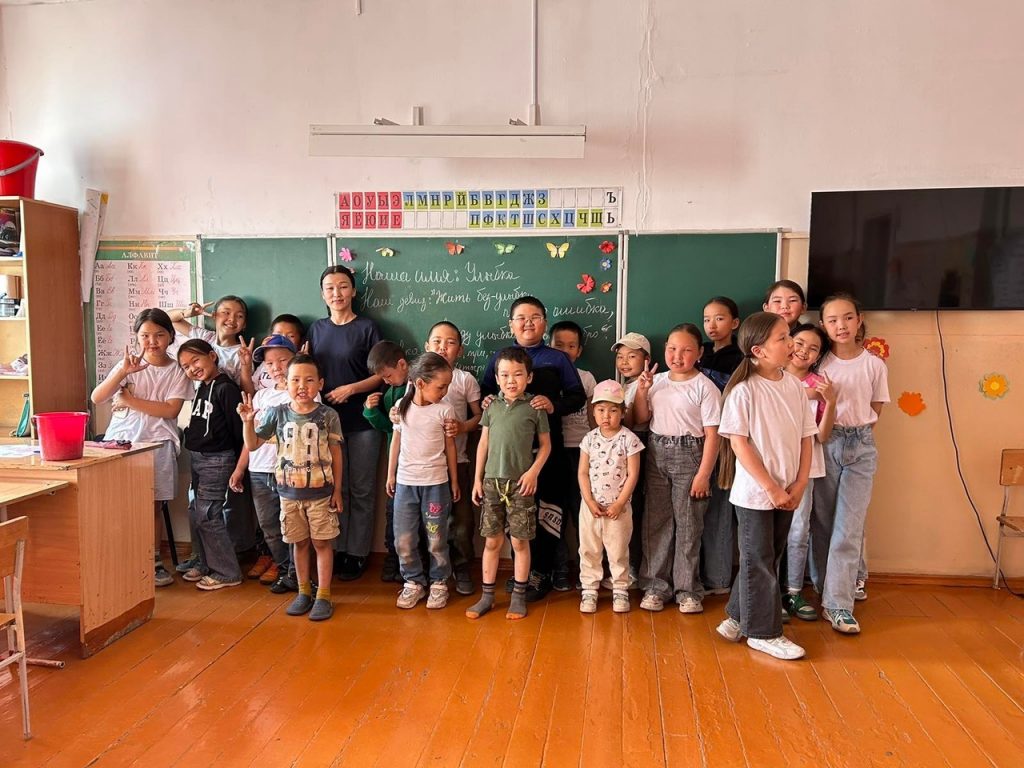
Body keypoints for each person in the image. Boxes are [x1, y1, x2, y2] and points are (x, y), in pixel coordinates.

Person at [716, 312, 817, 661]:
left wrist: (800, 482)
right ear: (759, 351)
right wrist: (772, 488)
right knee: (759, 559)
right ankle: (763, 633)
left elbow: (806, 437)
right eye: (783, 338)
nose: (792, 344)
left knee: (766, 557)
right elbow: (739, 444)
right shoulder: (744, 391)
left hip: (788, 490)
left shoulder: (794, 387)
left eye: (790, 336)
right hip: (756, 494)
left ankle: (736, 616)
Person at [478, 297, 584, 602]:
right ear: (511, 324)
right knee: (516, 516)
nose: (528, 323)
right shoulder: (500, 358)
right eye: (521, 318)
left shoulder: (557, 358)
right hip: (509, 456)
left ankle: (544, 571)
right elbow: (486, 392)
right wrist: (487, 400)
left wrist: (554, 404)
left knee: (547, 511)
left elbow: (577, 396)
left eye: (535, 317)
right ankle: (522, 572)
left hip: (547, 451)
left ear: (544, 323)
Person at [91, 308, 192, 587]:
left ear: (170, 336)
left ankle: (153, 561)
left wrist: (129, 400)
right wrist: (122, 373)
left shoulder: (177, 370)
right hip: (120, 442)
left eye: (159, 335)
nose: (152, 341)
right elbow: (98, 397)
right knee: (118, 504)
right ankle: (121, 558)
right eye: (145, 335)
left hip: (158, 443)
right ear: (136, 337)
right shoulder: (128, 365)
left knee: (152, 505)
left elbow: (170, 410)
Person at [239, 354, 344, 622]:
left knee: (322, 543)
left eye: (309, 380)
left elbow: (336, 453)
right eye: (295, 380)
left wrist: (337, 490)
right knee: (299, 543)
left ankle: (324, 595)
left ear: (320, 384)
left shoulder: (328, 415)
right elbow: (252, 445)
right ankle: (303, 591)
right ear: (285, 383)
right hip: (288, 495)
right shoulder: (277, 413)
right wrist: (248, 422)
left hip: (321, 494)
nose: (302, 386)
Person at [811, 293, 889, 634]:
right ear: (823, 325)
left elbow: (876, 409)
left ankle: (838, 605)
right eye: (832, 320)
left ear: (859, 320)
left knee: (849, 526)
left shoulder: (874, 364)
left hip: (861, 446)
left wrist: (858, 438)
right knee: (823, 521)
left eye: (847, 318)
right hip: (826, 443)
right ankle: (825, 586)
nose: (840, 325)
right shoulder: (819, 365)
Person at [633, 323, 721, 614]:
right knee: (656, 521)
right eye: (672, 349)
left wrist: (703, 475)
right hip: (656, 452)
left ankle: (688, 589)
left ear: (699, 353)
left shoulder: (705, 387)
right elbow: (641, 419)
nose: (677, 356)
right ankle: (655, 586)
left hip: (691, 454)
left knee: (689, 524)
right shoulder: (656, 381)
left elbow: (713, 436)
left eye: (686, 350)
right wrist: (642, 391)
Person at [307, 265, 383, 581]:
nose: (336, 293)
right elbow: (308, 371)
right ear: (322, 294)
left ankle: (358, 552)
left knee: (362, 488)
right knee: (336, 488)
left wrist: (351, 389)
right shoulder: (316, 329)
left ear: (353, 291)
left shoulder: (367, 328)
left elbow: (382, 374)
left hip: (363, 421)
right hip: (326, 422)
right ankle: (337, 549)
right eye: (330, 287)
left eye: (342, 286)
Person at [467, 347, 551, 620]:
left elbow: (546, 446)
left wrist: (533, 472)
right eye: (504, 375)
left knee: (519, 542)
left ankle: (518, 597)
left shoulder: (535, 407)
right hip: (491, 483)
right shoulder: (491, 407)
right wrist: (477, 480)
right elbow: (483, 443)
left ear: (529, 377)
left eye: (517, 374)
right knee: (492, 541)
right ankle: (487, 597)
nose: (511, 380)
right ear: (496, 378)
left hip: (521, 485)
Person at [386, 352, 459, 610]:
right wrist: (390, 474)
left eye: (447, 386)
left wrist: (454, 481)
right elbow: (396, 441)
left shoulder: (444, 409)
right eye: (441, 387)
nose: (444, 392)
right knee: (403, 539)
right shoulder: (402, 408)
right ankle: (413, 582)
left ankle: (439, 582)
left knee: (436, 537)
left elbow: (450, 447)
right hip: (406, 483)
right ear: (419, 383)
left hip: (436, 484)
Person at [239, 334, 311, 594]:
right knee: (269, 525)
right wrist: (239, 468)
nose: (276, 367)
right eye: (269, 363)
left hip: (290, 471)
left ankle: (297, 573)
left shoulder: (305, 395)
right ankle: (283, 568)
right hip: (259, 469)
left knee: (294, 525)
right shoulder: (261, 396)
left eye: (282, 360)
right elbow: (251, 437)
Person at [176, 339, 246, 591]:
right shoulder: (203, 387)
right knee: (197, 512)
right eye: (185, 366)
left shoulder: (226, 388)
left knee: (208, 515)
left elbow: (238, 431)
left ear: (212, 356)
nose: (192, 368)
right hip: (199, 457)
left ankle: (227, 572)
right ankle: (206, 563)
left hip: (217, 459)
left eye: (195, 360)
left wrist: (239, 468)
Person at [424, 321, 482, 595]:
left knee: (461, 522)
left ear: (459, 350)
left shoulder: (464, 379)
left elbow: (479, 416)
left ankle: (461, 567)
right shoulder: (416, 378)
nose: (442, 347)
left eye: (450, 343)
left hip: (457, 461)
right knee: (429, 521)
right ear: (427, 346)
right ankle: (432, 571)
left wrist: (462, 427)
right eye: (437, 341)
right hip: (425, 465)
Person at [782, 323, 835, 620]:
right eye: (799, 343)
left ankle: (793, 590)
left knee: (799, 528)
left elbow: (823, 436)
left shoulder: (820, 385)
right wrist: (806, 396)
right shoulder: (772, 375)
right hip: (774, 463)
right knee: (769, 530)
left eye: (813, 348)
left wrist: (830, 401)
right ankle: (771, 590)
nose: (803, 351)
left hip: (807, 465)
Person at [577, 380, 643, 614]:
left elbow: (633, 474)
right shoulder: (589, 439)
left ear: (623, 412)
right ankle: (590, 589)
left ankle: (620, 589)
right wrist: (589, 500)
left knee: (618, 550)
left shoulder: (629, 439)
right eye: (601, 410)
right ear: (593, 411)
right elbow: (582, 472)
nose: (607, 416)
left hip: (619, 508)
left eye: (613, 410)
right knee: (589, 548)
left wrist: (619, 503)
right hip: (591, 507)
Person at [699, 297, 743, 596]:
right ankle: (702, 573)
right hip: (695, 438)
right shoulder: (699, 352)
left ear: (735, 323)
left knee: (720, 510)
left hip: (727, 441)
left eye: (719, 318)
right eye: (707, 319)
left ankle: (718, 578)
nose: (712, 325)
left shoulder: (741, 357)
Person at [550, 319, 597, 591]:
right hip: (552, 450)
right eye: (559, 345)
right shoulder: (543, 376)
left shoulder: (586, 378)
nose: (565, 351)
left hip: (582, 452)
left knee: (581, 511)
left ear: (579, 351)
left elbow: (593, 418)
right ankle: (558, 568)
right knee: (554, 513)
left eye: (571, 346)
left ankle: (585, 569)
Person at [363, 340, 410, 582]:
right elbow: (388, 428)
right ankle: (393, 556)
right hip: (397, 465)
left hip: (417, 464)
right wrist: (371, 411)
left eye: (388, 375)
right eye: (383, 378)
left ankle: (412, 562)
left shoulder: (419, 386)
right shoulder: (389, 392)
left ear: (402, 364)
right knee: (393, 514)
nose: (386, 381)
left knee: (415, 519)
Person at [618, 331, 653, 584]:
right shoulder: (620, 387)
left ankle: (637, 567)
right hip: (622, 449)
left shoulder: (652, 382)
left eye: (632, 356)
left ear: (646, 359)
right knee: (628, 508)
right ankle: (628, 565)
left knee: (639, 509)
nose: (624, 362)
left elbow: (639, 419)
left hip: (643, 444)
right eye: (620, 356)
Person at [170, 296, 250, 388]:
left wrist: (246, 367)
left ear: (244, 324)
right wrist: (185, 313)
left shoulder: (243, 354)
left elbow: (246, 393)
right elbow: (169, 320)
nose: (232, 319)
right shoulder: (205, 337)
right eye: (226, 313)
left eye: (239, 316)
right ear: (214, 315)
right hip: (199, 395)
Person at [248, 314, 306, 393]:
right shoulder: (265, 362)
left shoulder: (297, 365)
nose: (283, 339)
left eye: (290, 336)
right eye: (277, 335)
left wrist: (304, 363)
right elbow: (250, 392)